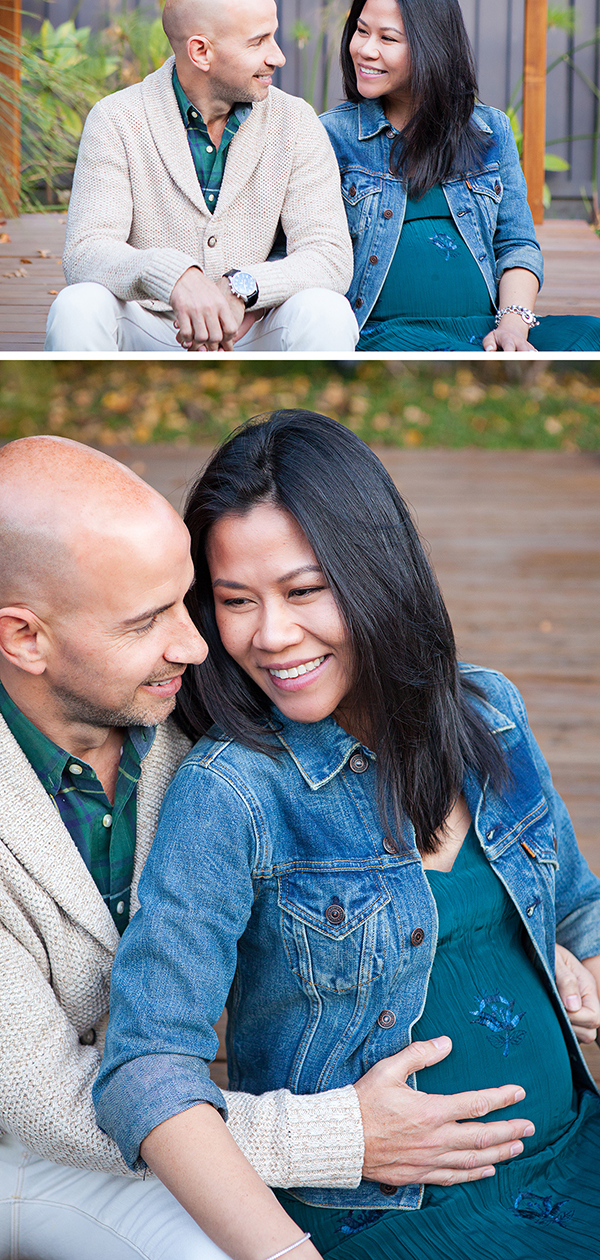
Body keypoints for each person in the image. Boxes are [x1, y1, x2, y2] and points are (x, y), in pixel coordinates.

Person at [93, 413, 600, 1260]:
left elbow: (579, 907)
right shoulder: (232, 794)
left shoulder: (490, 711)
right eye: (234, 601)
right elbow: (146, 1068)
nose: (270, 635)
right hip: (392, 1222)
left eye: (304, 590)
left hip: (577, 1151)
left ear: (375, 573)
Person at [0, 430, 388, 1258]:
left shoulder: (182, 711)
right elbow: (49, 1105)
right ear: (24, 638)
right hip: (30, 1146)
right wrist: (337, 1134)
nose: (197, 644)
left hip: (176, 1093)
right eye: (147, 622)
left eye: (189, 600)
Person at [44, 0, 358, 357]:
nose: (277, 56)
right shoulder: (117, 118)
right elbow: (86, 251)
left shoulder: (295, 122)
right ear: (201, 52)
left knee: (326, 311)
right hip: (150, 327)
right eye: (258, 41)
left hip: (252, 329)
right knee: (77, 307)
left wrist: (241, 286)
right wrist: (176, 279)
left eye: (273, 37)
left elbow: (329, 256)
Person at [321, 0, 600, 352]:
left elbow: (517, 243)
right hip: (386, 332)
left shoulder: (490, 130)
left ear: (431, 47)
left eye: (388, 38)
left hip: (490, 328)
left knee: (590, 335)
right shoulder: (330, 136)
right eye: (361, 30)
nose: (365, 49)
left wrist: (513, 328)